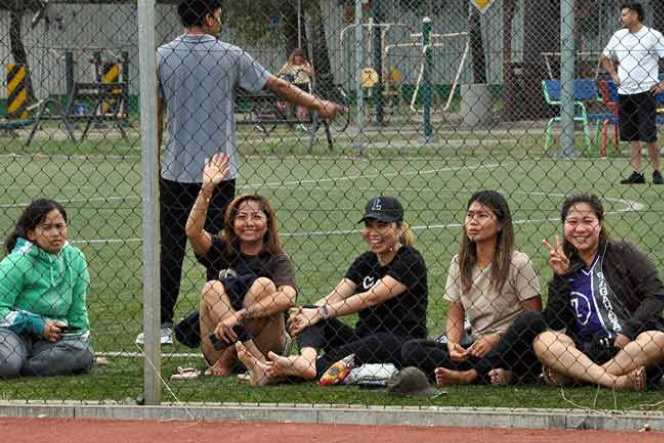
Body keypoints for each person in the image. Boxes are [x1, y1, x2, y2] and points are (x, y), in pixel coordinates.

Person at [141, 0, 339, 345]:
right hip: (219, 171)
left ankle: (163, 325)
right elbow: (277, 86)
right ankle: (216, 320)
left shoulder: (161, 56)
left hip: (174, 170)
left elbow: (154, 116)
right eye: (218, 13)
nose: (221, 20)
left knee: (171, 248)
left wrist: (154, 166)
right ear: (208, 16)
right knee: (219, 251)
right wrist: (318, 104)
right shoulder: (230, 55)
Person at [236, 196, 428, 386]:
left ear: (399, 228)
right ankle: (307, 362)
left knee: (373, 341)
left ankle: (275, 373)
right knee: (311, 312)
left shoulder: (410, 259)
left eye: (382, 225)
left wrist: (321, 312)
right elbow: (334, 297)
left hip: (400, 342)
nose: (373, 232)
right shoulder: (366, 261)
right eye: (369, 225)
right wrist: (304, 313)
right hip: (362, 338)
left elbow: (372, 297)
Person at [401, 190, 543, 387]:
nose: (473, 221)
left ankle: (471, 375)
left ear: (501, 224)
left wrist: (495, 338)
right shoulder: (459, 263)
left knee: (531, 324)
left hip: (512, 346)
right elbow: (455, 313)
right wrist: (452, 344)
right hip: (475, 348)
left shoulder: (518, 262)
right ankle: (491, 374)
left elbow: (534, 317)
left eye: (482, 215)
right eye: (470, 215)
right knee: (411, 348)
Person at [533, 193, 664, 391]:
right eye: (572, 222)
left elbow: (656, 296)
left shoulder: (623, 252)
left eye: (587, 221)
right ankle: (615, 381)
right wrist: (561, 278)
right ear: (564, 225)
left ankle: (581, 378)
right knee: (544, 341)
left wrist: (628, 332)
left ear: (600, 223)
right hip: (588, 350)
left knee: (658, 340)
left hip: (629, 345)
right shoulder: (566, 264)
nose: (580, 229)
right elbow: (555, 321)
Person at [180, 154, 298, 377]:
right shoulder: (222, 249)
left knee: (263, 286)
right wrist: (207, 189)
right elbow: (192, 232)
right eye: (242, 217)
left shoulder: (277, 257)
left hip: (267, 346)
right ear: (232, 224)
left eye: (256, 217)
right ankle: (255, 365)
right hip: (219, 343)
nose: (249, 223)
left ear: (267, 223)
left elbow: (288, 297)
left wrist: (240, 315)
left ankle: (241, 361)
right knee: (211, 288)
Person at [0, 199, 94, 379]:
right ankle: (20, 364)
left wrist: (81, 343)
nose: (56, 233)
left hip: (50, 340)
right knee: (8, 363)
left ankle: (23, 365)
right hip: (11, 333)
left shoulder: (75, 258)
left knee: (84, 353)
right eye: (47, 227)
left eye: (60, 226)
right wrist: (36, 323)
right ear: (32, 234)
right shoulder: (15, 263)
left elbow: (77, 309)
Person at [599, 1, 664, 185]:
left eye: (625, 14)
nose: (621, 18)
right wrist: (613, 74)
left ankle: (657, 171)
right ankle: (637, 173)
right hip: (625, 92)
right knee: (631, 135)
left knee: (648, 134)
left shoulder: (652, 35)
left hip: (645, 92)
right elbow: (605, 56)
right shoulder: (618, 36)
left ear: (636, 16)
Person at [277, 49, 314, 123]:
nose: (298, 58)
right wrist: (279, 76)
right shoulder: (290, 64)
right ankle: (290, 119)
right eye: (296, 56)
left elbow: (310, 73)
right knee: (290, 103)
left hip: (304, 84)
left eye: (300, 57)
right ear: (293, 57)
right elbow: (281, 72)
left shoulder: (305, 64)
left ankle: (301, 120)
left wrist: (304, 69)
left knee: (303, 104)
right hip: (294, 85)